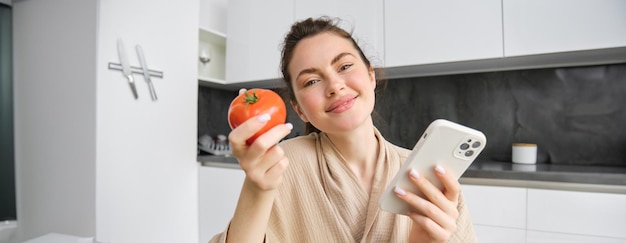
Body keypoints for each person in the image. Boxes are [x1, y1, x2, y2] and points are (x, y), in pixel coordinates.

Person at [210, 17, 477, 243]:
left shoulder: (430, 176)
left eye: (345, 66)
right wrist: (257, 188)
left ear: (371, 75)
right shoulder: (279, 166)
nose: (335, 85)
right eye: (312, 80)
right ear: (299, 109)